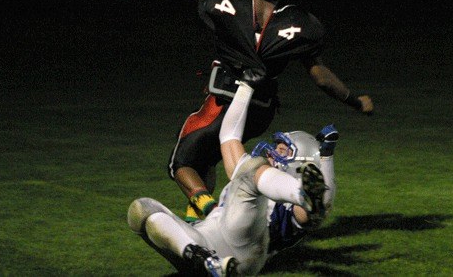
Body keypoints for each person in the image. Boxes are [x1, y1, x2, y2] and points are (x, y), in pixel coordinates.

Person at [167, 0, 373, 222]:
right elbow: (320, 76)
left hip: (225, 100)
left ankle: (213, 213)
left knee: (182, 164)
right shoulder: (303, 24)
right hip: (261, 108)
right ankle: (199, 224)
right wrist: (354, 100)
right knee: (211, 158)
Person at [129, 81, 341, 276]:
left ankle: (300, 193)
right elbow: (229, 135)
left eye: (283, 151)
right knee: (141, 210)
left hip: (244, 253)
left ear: (300, 165)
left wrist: (326, 157)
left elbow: (321, 206)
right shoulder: (254, 175)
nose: (271, 153)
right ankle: (202, 260)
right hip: (206, 242)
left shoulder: (288, 208)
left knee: (251, 169)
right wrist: (244, 87)